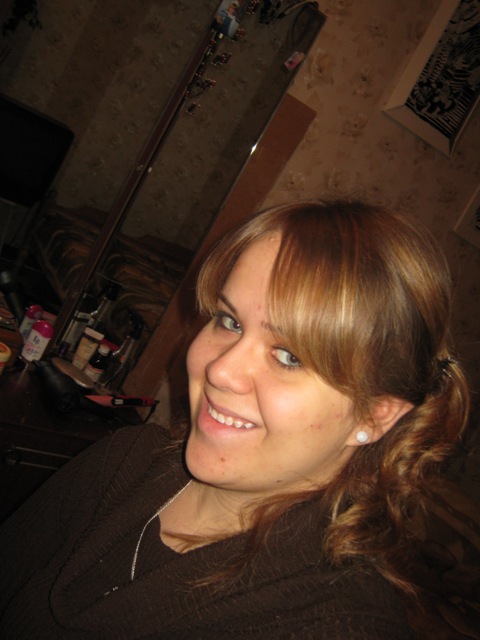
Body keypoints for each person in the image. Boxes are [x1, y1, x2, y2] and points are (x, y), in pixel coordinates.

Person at [0, 200, 470, 638]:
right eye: (229, 322)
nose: (219, 370)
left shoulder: (334, 624)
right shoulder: (124, 460)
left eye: (289, 356)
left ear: (376, 413)